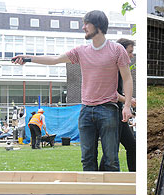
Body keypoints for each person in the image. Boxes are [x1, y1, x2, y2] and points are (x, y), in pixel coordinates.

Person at [13, 10, 133, 171]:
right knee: (87, 159)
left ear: (97, 25)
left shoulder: (117, 49)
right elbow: (54, 59)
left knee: (111, 160)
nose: (83, 27)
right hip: (85, 111)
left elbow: (127, 78)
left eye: (86, 24)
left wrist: (126, 107)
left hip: (108, 110)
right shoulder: (81, 51)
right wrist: (28, 58)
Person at [100, 38, 136, 172]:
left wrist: (128, 100)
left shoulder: (121, 69)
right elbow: (111, 93)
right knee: (114, 149)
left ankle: (134, 175)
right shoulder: (112, 70)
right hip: (113, 112)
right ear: (121, 51)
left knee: (131, 146)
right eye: (130, 52)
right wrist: (128, 100)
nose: (132, 55)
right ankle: (99, 177)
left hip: (119, 112)